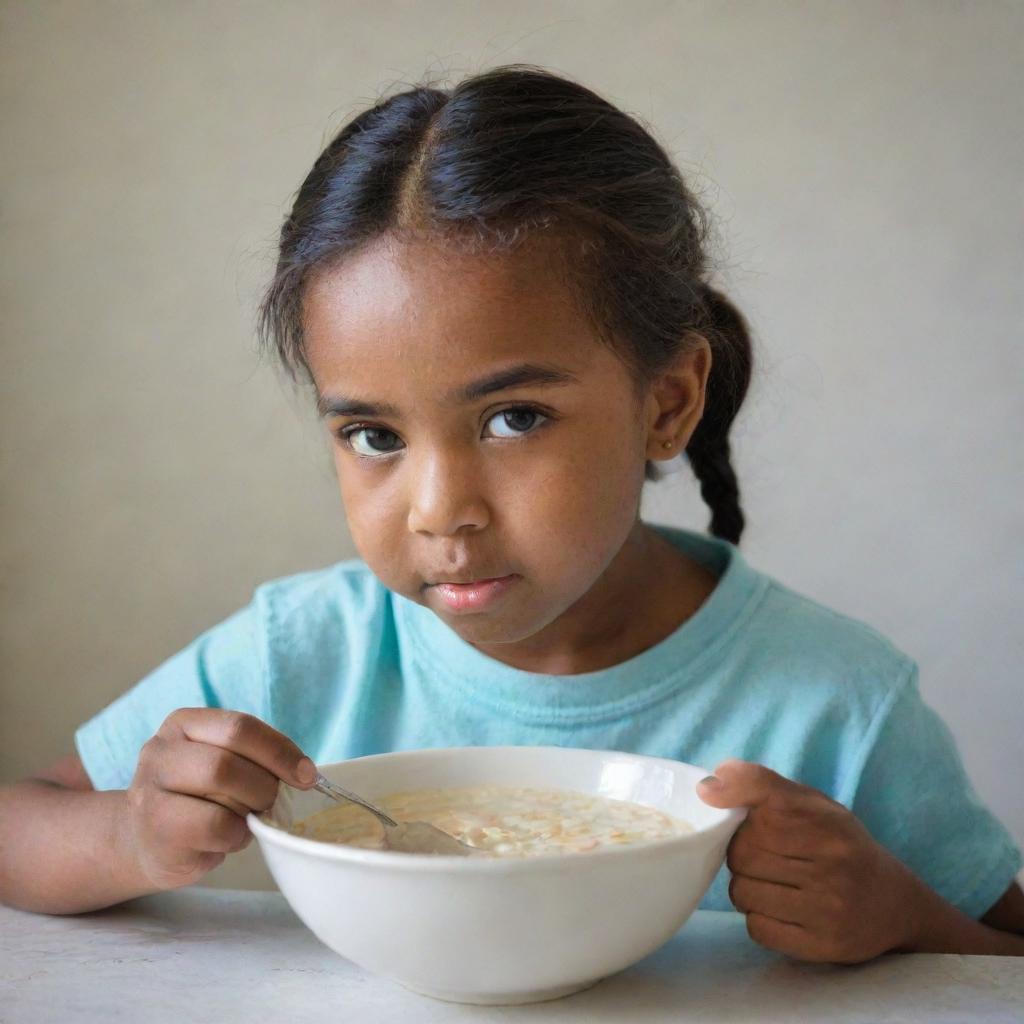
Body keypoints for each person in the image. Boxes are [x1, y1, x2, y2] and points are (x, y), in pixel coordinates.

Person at [1, 64, 1020, 962]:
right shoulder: (297, 655)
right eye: (373, 436)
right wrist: (132, 836)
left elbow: (1002, 950)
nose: (441, 511)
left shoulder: (835, 702)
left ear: (666, 401)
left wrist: (906, 918)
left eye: (513, 417)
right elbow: (21, 824)